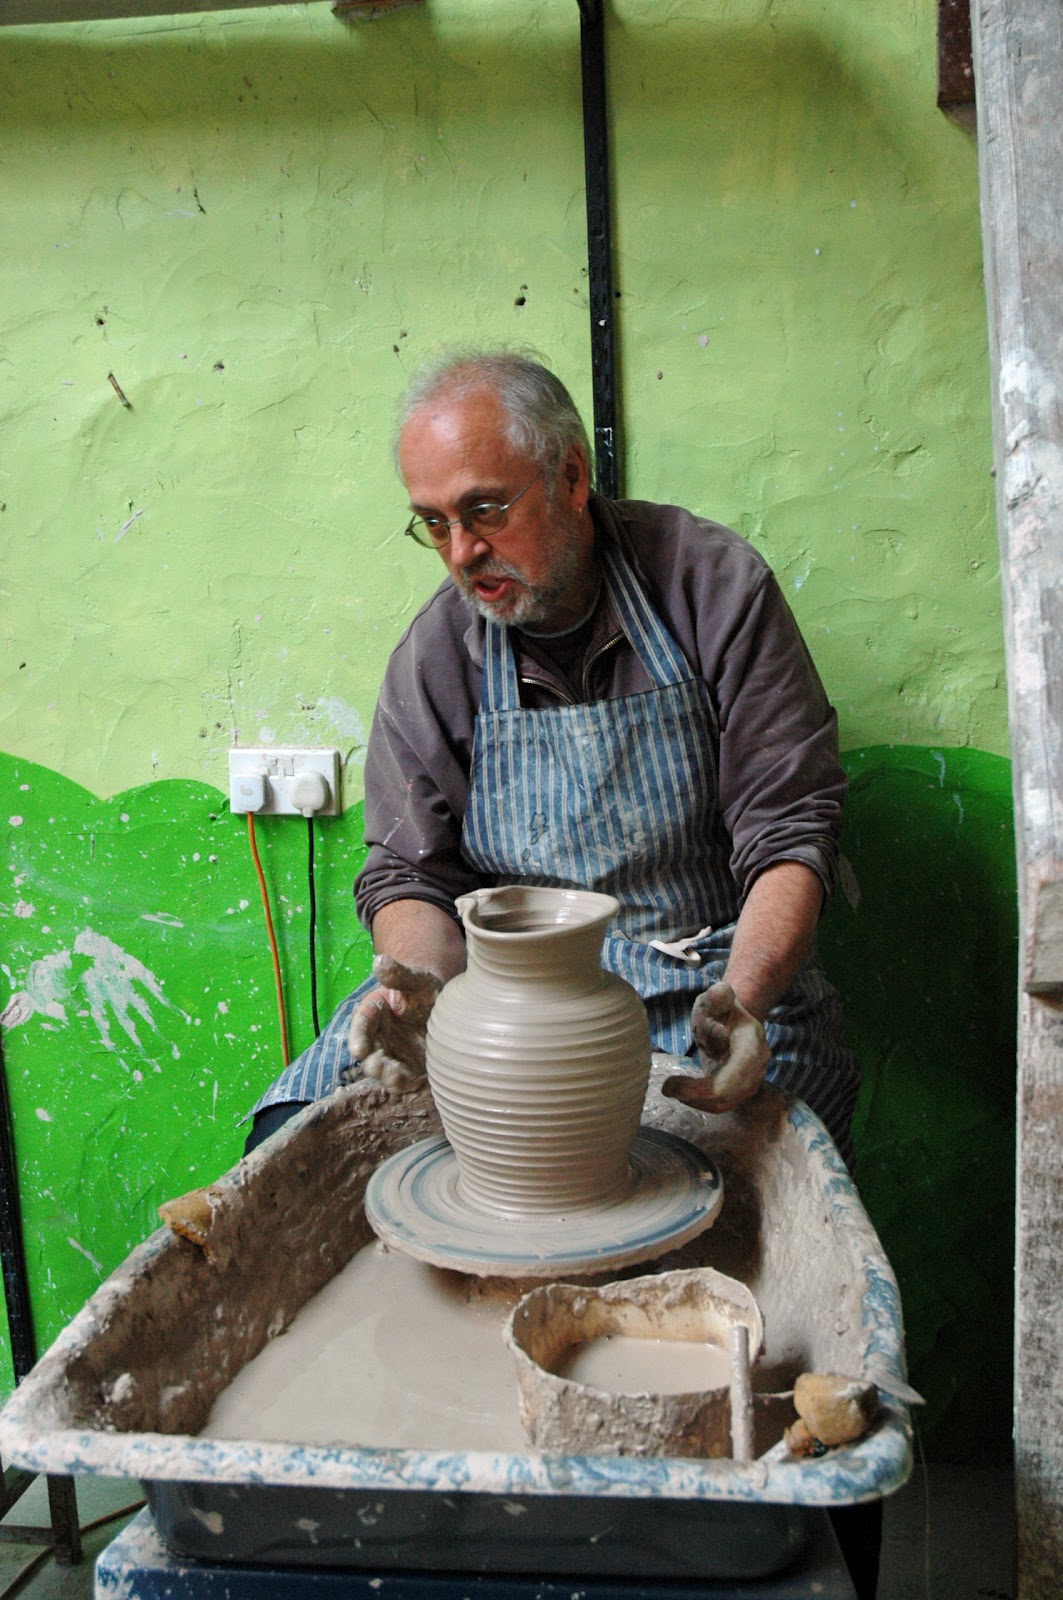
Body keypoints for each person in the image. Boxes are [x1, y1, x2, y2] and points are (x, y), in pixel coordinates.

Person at [245, 352, 859, 1166]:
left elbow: (788, 830)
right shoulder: (438, 652)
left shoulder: (710, 589)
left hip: (703, 973)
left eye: (484, 511)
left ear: (570, 476)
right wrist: (422, 987)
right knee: (292, 1147)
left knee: (751, 1173)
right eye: (433, 523)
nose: (460, 552)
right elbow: (408, 872)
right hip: (497, 990)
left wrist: (744, 996)